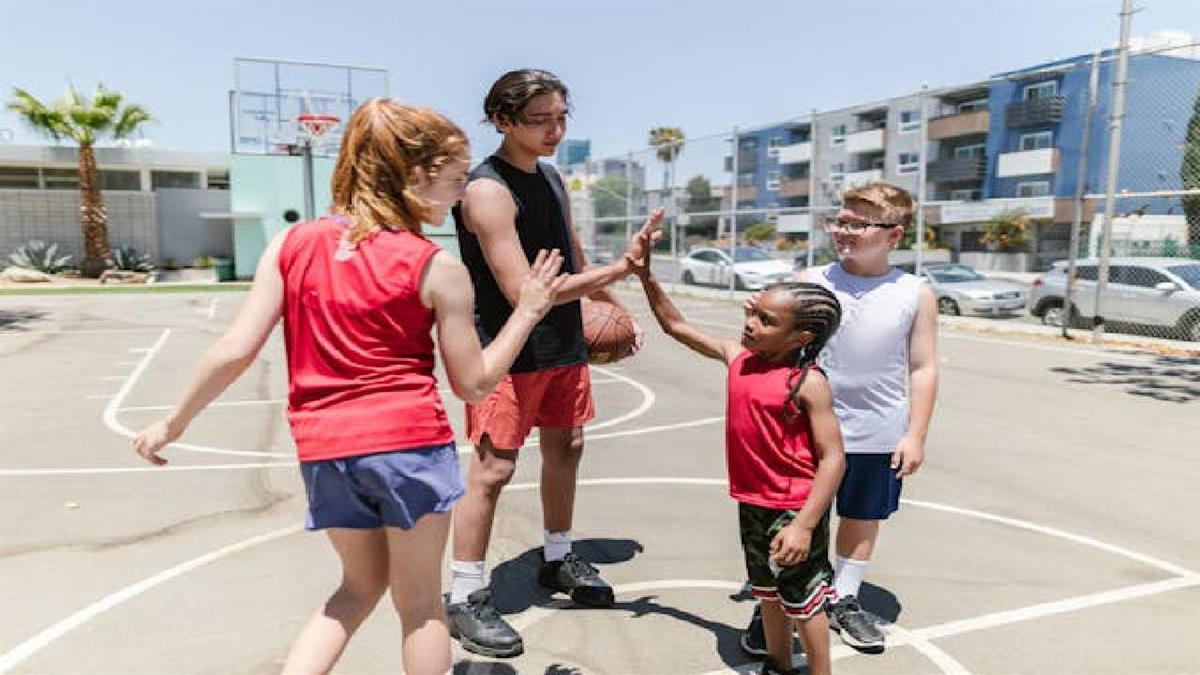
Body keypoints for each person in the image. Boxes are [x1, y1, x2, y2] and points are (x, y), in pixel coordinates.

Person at [132, 99, 569, 675]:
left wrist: (174, 422)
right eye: (455, 180)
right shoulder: (434, 266)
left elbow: (236, 349)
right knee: (420, 609)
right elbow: (475, 383)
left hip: (325, 448)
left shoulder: (291, 245)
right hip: (408, 446)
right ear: (415, 177)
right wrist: (528, 311)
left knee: (354, 591)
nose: (462, 194)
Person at [445, 67, 662, 658]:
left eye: (562, 117)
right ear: (502, 121)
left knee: (567, 448)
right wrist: (620, 270)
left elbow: (574, 253)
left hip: (563, 342)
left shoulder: (552, 177)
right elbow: (524, 292)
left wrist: (613, 304)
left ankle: (559, 558)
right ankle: (465, 594)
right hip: (508, 346)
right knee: (493, 469)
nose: (555, 130)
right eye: (541, 120)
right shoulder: (486, 190)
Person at [741, 181, 939, 656]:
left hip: (878, 427)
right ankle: (775, 600)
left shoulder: (915, 292)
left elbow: (923, 366)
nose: (843, 230)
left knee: (862, 513)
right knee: (789, 517)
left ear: (894, 234)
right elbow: (771, 341)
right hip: (807, 426)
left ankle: (844, 597)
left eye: (858, 223)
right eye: (840, 220)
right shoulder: (812, 280)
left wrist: (915, 434)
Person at [634, 251, 845, 675]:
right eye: (755, 314)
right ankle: (779, 663)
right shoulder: (738, 357)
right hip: (753, 501)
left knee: (803, 601)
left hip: (793, 507)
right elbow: (675, 326)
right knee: (767, 592)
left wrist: (804, 524)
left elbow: (833, 457)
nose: (751, 323)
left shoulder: (807, 383)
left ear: (800, 338)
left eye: (768, 321)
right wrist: (646, 276)